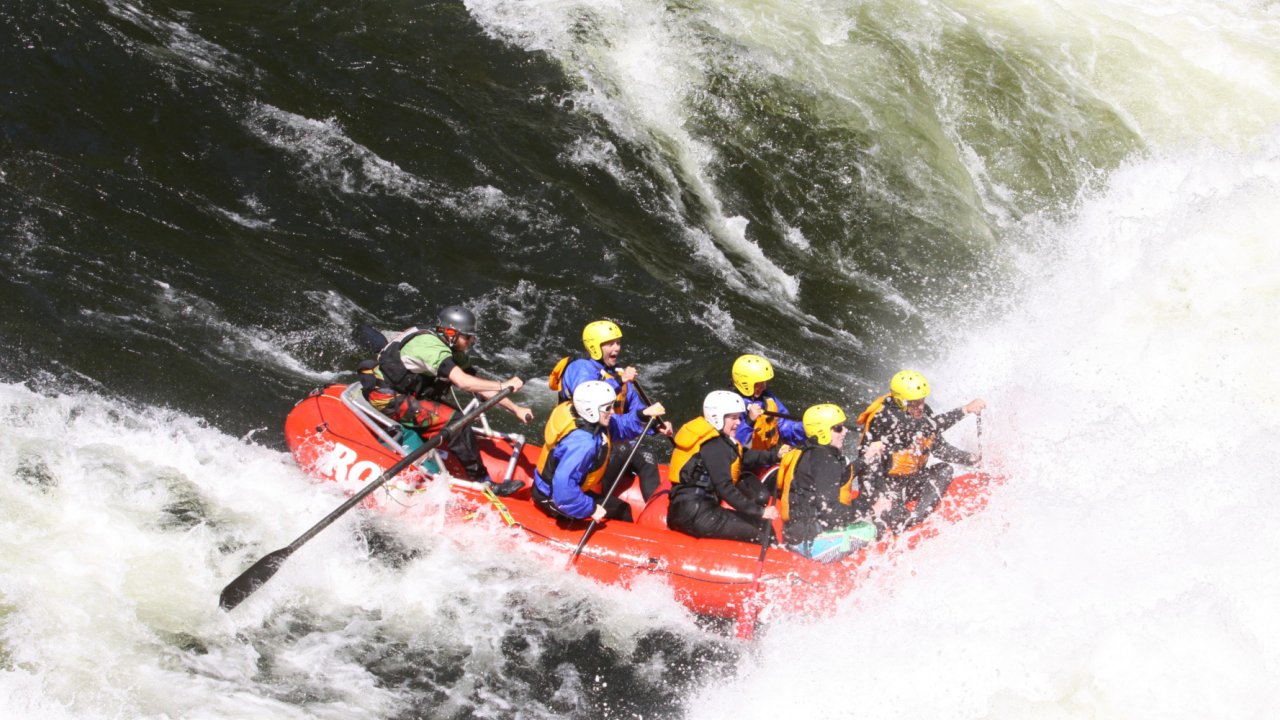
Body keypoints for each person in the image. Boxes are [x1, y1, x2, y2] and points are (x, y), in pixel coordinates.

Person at [361, 305, 532, 496]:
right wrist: (504, 384)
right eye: (467, 337)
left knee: (455, 419)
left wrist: (515, 408)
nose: (471, 341)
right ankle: (484, 482)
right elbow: (463, 383)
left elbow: (480, 386)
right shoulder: (431, 349)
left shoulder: (449, 346)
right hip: (386, 397)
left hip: (407, 393)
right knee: (457, 421)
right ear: (450, 333)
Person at [548, 320, 672, 500]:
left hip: (613, 435)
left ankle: (655, 516)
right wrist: (621, 381)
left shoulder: (616, 373)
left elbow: (636, 408)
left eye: (618, 342)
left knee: (646, 455)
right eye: (610, 343)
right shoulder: (580, 368)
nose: (617, 348)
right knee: (616, 454)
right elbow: (590, 396)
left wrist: (653, 423)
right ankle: (598, 502)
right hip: (590, 440)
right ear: (595, 346)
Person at [856, 370, 985, 531]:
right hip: (883, 485)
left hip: (910, 481)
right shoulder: (886, 417)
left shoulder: (923, 413)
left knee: (944, 469)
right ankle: (899, 522)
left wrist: (972, 459)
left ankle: (918, 517)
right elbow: (925, 427)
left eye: (922, 401)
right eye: (914, 403)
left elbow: (939, 449)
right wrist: (965, 410)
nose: (920, 407)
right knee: (897, 520)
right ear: (900, 401)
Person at [666, 391, 787, 543]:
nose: (738, 422)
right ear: (717, 417)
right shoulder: (715, 445)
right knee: (763, 530)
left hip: (686, 510)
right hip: (697, 515)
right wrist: (760, 511)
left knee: (760, 524)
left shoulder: (715, 439)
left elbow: (743, 456)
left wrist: (776, 456)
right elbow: (725, 488)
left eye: (738, 417)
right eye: (733, 418)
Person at [777, 404, 886, 562]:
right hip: (813, 544)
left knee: (863, 516)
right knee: (876, 528)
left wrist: (866, 458)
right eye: (838, 428)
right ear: (822, 432)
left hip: (798, 533)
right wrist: (871, 510)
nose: (846, 431)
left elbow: (838, 479)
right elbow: (831, 512)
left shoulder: (812, 451)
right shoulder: (826, 460)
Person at [532, 380, 634, 524]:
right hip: (553, 497)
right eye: (608, 408)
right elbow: (563, 487)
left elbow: (618, 427)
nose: (612, 411)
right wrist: (590, 509)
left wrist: (643, 416)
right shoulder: (584, 444)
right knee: (622, 510)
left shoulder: (579, 415)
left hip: (551, 489)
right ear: (590, 409)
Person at [731, 354, 807, 451]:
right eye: (758, 384)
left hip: (774, 454)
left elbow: (784, 425)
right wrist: (749, 421)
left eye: (764, 382)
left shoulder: (767, 397)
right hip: (751, 461)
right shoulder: (731, 407)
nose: (764, 387)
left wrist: (804, 428)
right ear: (745, 383)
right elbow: (731, 445)